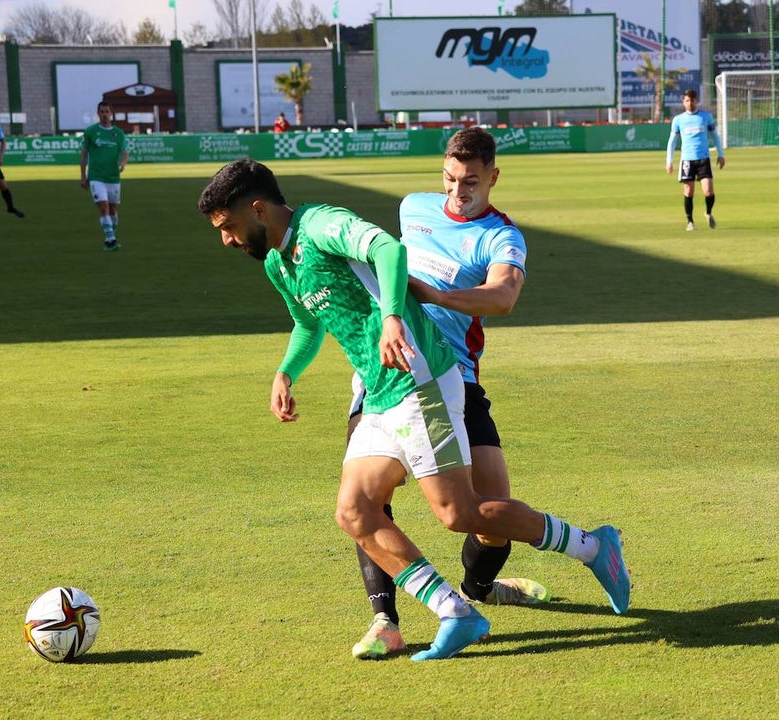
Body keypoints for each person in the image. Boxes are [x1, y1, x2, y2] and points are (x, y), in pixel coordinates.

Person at [198, 158, 631, 661]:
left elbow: (386, 248)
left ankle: (594, 548)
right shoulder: (280, 263)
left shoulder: (322, 224)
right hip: (379, 394)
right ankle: (456, 612)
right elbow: (308, 325)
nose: (227, 240)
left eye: (228, 227)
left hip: (418, 379)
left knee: (459, 513)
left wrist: (392, 317)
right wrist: (285, 372)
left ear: (257, 208)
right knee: (354, 510)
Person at [349, 127, 547, 661]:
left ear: (494, 178)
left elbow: (503, 297)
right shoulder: (413, 207)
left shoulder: (501, 236)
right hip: (384, 369)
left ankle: (478, 594)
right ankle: (384, 620)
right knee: (368, 502)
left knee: (489, 512)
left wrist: (435, 294)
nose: (458, 191)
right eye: (451, 178)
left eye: (471, 182)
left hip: (456, 378)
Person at [665, 88, 725, 232]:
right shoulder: (678, 120)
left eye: (692, 100)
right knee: (689, 191)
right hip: (687, 160)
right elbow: (672, 141)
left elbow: (715, 136)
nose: (690, 103)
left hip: (703, 159)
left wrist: (721, 154)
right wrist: (669, 160)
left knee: (709, 191)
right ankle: (690, 221)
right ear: (683, 102)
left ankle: (708, 212)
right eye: (687, 100)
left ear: (696, 101)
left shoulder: (705, 117)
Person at [80, 102, 129, 252]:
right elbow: (84, 154)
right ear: (98, 113)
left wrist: (123, 163)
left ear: (111, 113)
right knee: (104, 208)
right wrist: (83, 175)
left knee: (113, 210)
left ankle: (110, 236)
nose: (104, 114)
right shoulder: (90, 132)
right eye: (102, 112)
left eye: (107, 111)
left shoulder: (119, 133)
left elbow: (125, 152)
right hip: (96, 176)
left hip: (113, 177)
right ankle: (111, 240)